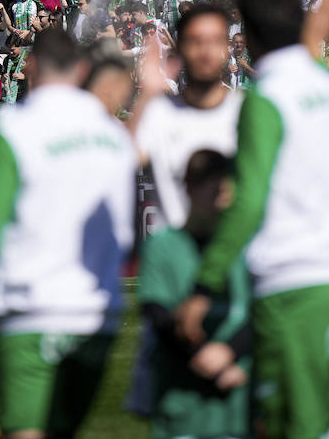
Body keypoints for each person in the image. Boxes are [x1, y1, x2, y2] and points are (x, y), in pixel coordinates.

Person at [177, 0, 329, 439]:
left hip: (295, 287)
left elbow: (248, 200)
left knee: (291, 425)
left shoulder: (265, 99)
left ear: (249, 33)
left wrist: (205, 285)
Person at [0, 29, 136, 439]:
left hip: (33, 308)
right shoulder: (112, 134)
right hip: (99, 316)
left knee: (20, 426)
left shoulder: (15, 128)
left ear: (30, 67)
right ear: (82, 70)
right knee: (1, 417)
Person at [136, 148, 251, 439]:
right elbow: (158, 315)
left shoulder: (245, 248)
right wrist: (209, 362)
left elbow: (260, 311)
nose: (218, 199)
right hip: (182, 404)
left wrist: (230, 351)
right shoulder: (163, 246)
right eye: (209, 188)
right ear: (188, 187)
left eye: (224, 190)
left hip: (238, 408)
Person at [134, 3, 241, 228]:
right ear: (179, 49)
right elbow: (116, 161)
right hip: (174, 252)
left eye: (214, 42)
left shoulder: (245, 112)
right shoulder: (158, 114)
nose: (205, 52)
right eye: (195, 42)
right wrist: (148, 94)